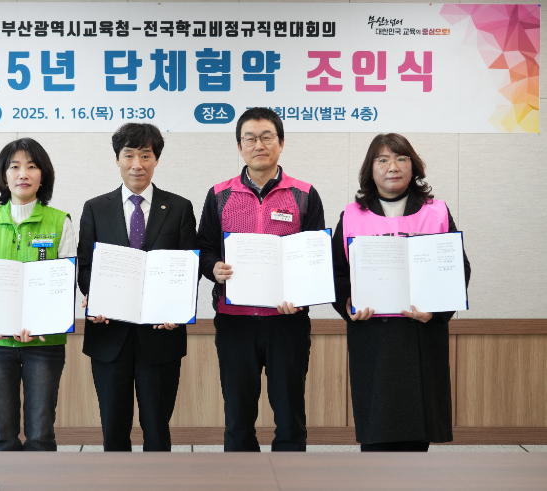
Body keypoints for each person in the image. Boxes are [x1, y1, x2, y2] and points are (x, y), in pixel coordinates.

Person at [331, 133, 471, 452]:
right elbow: (337, 271)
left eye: (401, 158)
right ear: (370, 169)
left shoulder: (436, 212)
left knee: (416, 435)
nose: (392, 166)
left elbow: (458, 268)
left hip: (420, 332)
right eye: (382, 159)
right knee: (376, 431)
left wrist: (435, 312)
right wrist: (347, 303)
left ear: (413, 166)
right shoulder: (352, 214)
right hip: (372, 334)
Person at [197, 107, 325, 452]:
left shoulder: (304, 194)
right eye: (250, 139)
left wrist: (301, 298)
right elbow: (204, 247)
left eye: (267, 137)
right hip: (234, 321)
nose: (259, 145)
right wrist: (213, 268)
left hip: (287, 321)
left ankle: (290, 475)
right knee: (238, 418)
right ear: (239, 147)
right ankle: (241, 477)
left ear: (281, 143)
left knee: (290, 416)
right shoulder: (219, 194)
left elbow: (315, 257)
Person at [77, 122, 198, 451]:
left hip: (160, 336)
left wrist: (178, 310)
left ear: (156, 159)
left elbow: (189, 267)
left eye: (145, 155)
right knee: (114, 428)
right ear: (117, 159)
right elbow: (85, 267)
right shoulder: (95, 208)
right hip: (109, 334)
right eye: (128, 155)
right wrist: (95, 298)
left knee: (157, 428)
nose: (137, 164)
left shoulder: (179, 208)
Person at [0, 138, 75, 451]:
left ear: (43, 175)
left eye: (32, 166)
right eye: (15, 166)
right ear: (3, 175)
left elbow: (65, 281)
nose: (23, 173)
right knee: (2, 434)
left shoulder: (59, 221)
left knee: (40, 434)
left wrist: (43, 323)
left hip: (44, 343)